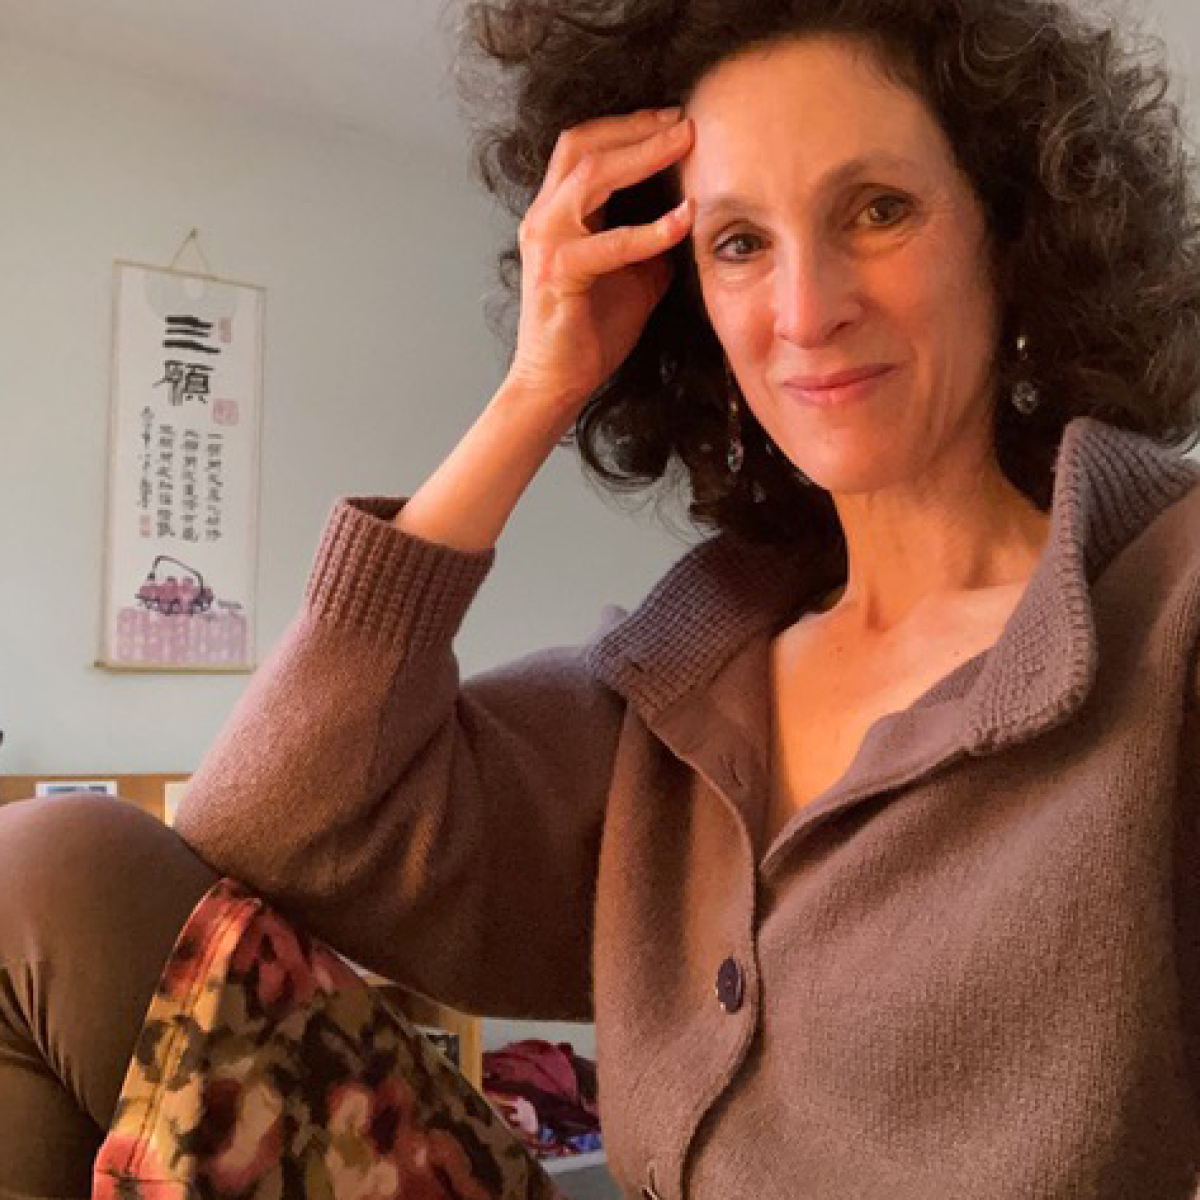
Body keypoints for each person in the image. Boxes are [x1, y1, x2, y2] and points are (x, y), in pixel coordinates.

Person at [3, 0, 1200, 1195]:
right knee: (48, 871)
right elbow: (273, 823)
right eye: (740, 243)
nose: (805, 308)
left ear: (1009, 232)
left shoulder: (1169, 617)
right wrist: (539, 386)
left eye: (878, 209)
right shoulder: (676, 691)